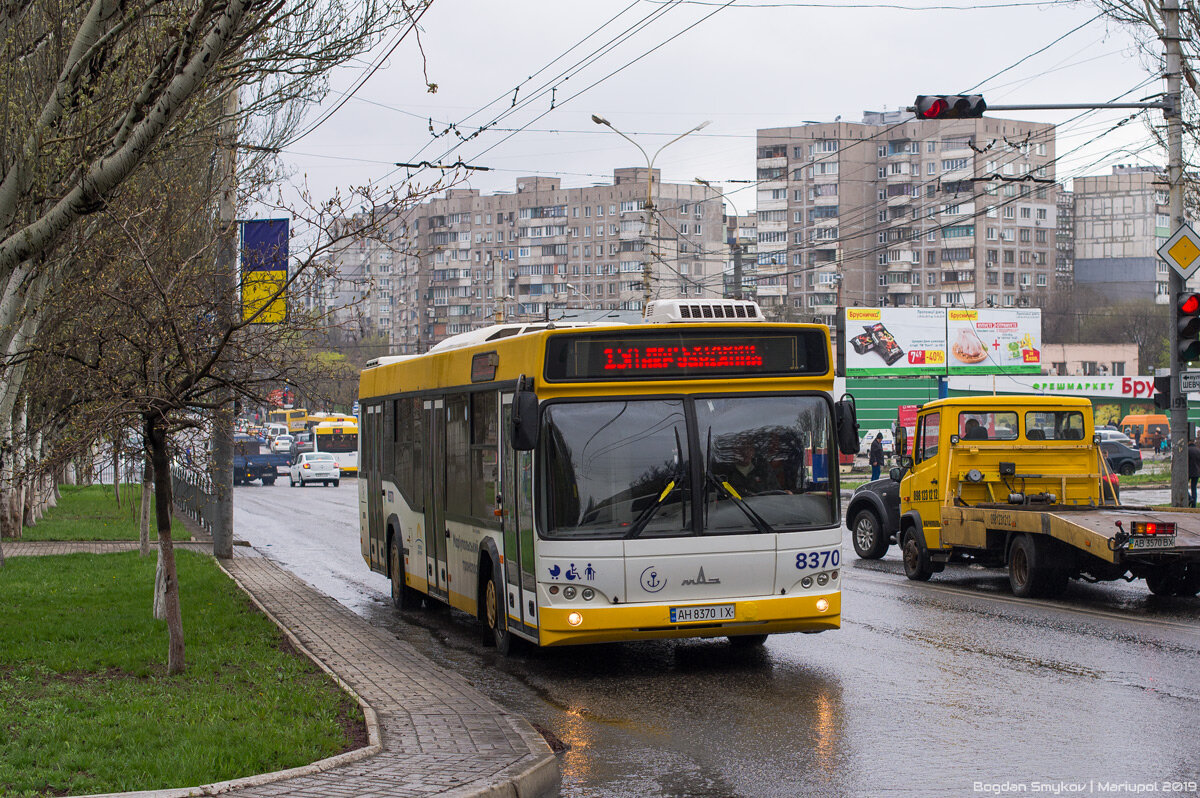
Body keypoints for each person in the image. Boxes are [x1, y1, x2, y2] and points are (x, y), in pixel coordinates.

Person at [1189, 438, 1200, 508]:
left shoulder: (1186, 450)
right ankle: (1194, 505)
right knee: (1194, 488)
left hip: (1188, 472)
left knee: (1182, 486)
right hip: (1196, 472)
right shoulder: (1198, 450)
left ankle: (1190, 498)